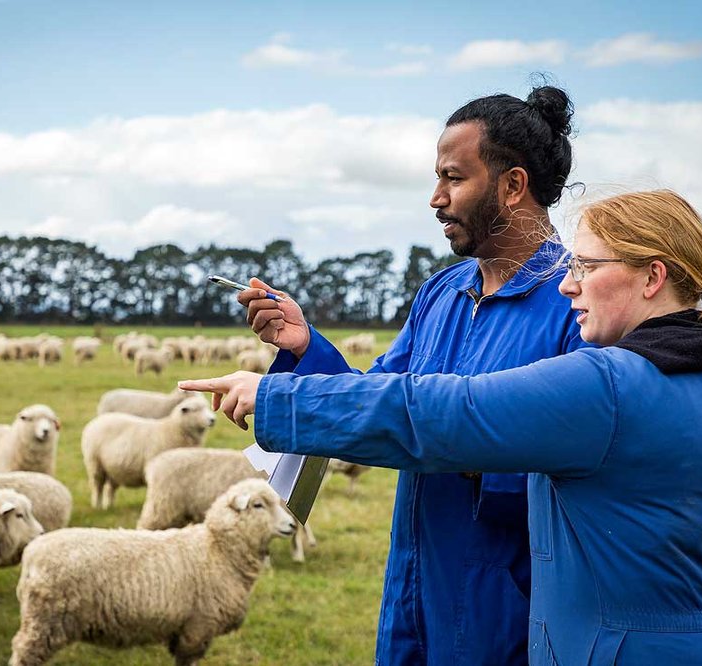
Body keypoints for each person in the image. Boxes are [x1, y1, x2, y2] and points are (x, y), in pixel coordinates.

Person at [181, 190, 702, 665]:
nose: (569, 283)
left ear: (652, 277)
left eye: (588, 266)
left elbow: (441, 413)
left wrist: (276, 397)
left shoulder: (606, 384)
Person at [207, 85, 584, 665]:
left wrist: (465, 451)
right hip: (413, 590)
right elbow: (382, 399)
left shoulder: (576, 302)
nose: (436, 198)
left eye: (454, 178)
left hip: (510, 607)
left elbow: (568, 465)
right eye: (437, 178)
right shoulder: (441, 293)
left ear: (512, 185)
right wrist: (305, 348)